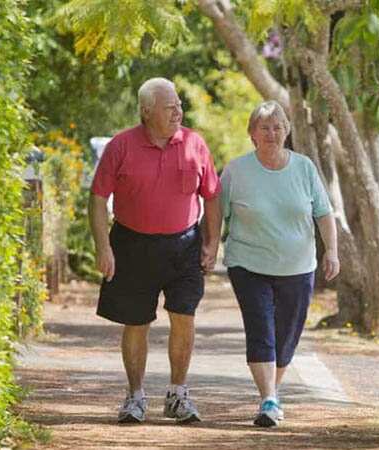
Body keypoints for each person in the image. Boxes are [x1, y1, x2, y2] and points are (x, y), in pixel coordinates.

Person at [89, 77, 220, 424]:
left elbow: (212, 195)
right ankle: (135, 397)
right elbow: (98, 198)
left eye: (179, 105)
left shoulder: (195, 143)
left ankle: (178, 394)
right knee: (136, 322)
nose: (178, 111)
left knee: (184, 316)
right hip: (132, 244)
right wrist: (104, 248)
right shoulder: (121, 146)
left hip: (185, 245)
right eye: (169, 106)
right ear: (147, 111)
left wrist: (211, 242)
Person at [218, 100, 340, 427]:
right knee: (261, 329)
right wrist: (208, 246)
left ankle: (272, 391)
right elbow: (217, 212)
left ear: (287, 131)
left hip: (298, 265)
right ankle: (268, 398)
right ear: (252, 134)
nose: (272, 134)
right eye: (265, 128)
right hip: (247, 262)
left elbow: (323, 213)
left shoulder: (304, 168)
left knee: (287, 333)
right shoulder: (236, 171)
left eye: (278, 127)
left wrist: (332, 251)